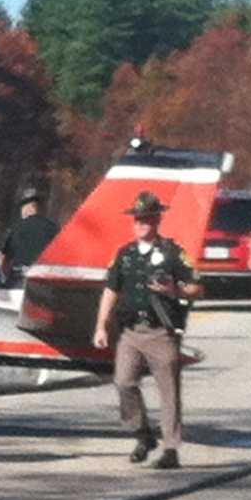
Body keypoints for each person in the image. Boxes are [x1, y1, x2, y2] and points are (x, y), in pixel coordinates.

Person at [93, 191, 204, 470]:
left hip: (161, 332)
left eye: (146, 219)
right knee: (124, 382)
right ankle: (143, 434)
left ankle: (170, 449)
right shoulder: (125, 254)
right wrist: (101, 325)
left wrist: (174, 289)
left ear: (157, 220)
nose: (141, 224)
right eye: (137, 219)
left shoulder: (172, 252)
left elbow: (197, 288)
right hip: (130, 332)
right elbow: (110, 289)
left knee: (169, 392)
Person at [0, 187, 59, 283]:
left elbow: (2, 257)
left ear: (28, 207)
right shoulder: (53, 228)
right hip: (44, 279)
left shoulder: (15, 228)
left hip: (19, 278)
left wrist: (4, 277)